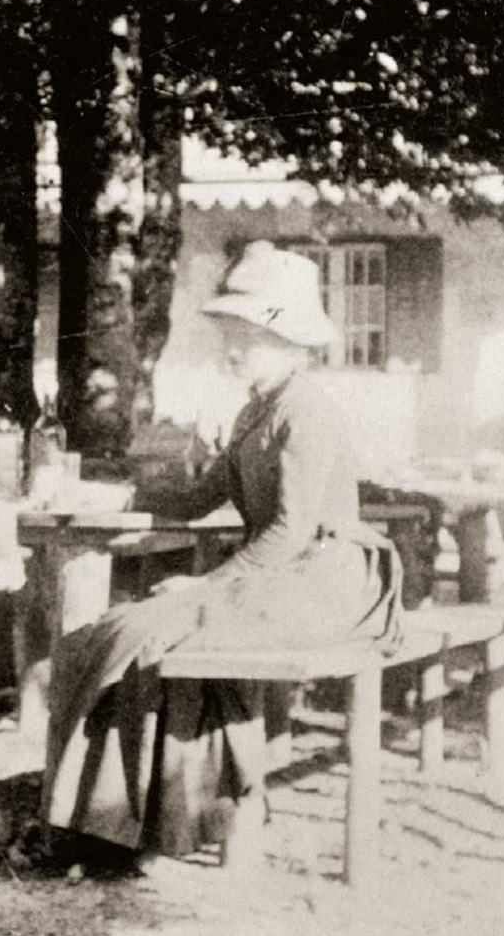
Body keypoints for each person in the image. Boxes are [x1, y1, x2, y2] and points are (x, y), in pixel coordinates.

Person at [43, 241, 403, 869]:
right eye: (229, 333)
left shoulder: (306, 411)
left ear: (287, 339)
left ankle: (154, 819)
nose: (231, 348)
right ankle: (120, 822)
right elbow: (195, 498)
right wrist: (106, 494)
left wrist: (203, 588)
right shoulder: (252, 413)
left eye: (245, 335)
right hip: (278, 574)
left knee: (156, 627)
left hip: (330, 580)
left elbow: (292, 530)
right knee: (120, 630)